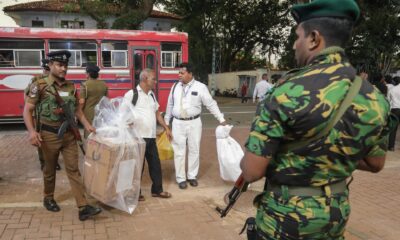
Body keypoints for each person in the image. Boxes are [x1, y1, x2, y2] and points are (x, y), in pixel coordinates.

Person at [240, 0, 390, 239]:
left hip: (284, 221)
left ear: (313, 38)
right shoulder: (375, 98)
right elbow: (376, 163)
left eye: (296, 37)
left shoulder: (284, 92)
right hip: (334, 218)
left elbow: (251, 172)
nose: (293, 45)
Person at [23, 50, 102, 221]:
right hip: (48, 136)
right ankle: (48, 197)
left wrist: (89, 126)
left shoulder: (71, 87)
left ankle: (83, 207)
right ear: (50, 65)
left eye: (65, 65)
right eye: (59, 65)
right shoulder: (41, 86)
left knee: (73, 169)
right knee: (49, 170)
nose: (63, 68)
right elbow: (27, 110)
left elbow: (79, 112)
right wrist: (31, 132)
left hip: (68, 135)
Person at [164, 62, 226, 189]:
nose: (179, 75)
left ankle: (192, 176)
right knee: (179, 151)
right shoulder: (175, 86)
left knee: (194, 149)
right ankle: (181, 178)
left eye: (182, 73)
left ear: (190, 74)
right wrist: (166, 123)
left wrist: (221, 119)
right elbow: (170, 105)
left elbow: (211, 104)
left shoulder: (200, 87)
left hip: (194, 123)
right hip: (177, 123)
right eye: (179, 72)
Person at [123, 68, 172, 201]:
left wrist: (166, 128)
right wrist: (128, 126)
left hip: (150, 136)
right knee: (137, 166)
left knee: (155, 164)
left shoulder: (151, 94)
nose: (155, 81)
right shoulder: (132, 94)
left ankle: (157, 190)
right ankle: (135, 192)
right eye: (153, 79)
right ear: (145, 79)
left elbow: (157, 113)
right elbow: (122, 113)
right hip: (138, 137)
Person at [24, 59, 61, 171]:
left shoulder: (56, 79)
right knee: (41, 138)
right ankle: (43, 161)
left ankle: (54, 161)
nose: (46, 72)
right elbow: (26, 95)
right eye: (45, 69)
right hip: (39, 115)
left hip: (53, 115)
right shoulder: (36, 80)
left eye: (48, 69)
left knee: (56, 138)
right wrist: (30, 108)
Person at [79, 64, 108, 138]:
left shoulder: (84, 85)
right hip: (101, 114)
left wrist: (78, 113)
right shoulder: (104, 84)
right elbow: (106, 100)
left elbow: (81, 102)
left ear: (88, 74)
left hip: (89, 115)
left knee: (90, 136)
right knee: (99, 136)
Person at [388, 77, 400, 151]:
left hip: (395, 109)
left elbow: (389, 100)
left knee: (393, 129)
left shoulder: (393, 89)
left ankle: (391, 146)